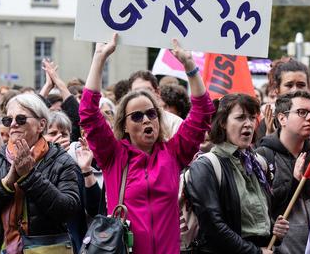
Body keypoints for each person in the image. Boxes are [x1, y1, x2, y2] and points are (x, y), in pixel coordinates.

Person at [79, 34, 215, 254]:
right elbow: (87, 112)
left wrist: (189, 65)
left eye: (151, 114)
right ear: (123, 125)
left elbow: (203, 112)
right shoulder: (112, 155)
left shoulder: (173, 153)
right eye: (137, 116)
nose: (146, 120)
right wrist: (99, 58)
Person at [0, 93, 81, 253]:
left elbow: (67, 210)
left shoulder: (61, 160)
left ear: (41, 125)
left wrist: (30, 176)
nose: (13, 124)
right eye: (8, 120)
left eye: (20, 119)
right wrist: (6, 184)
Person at [186, 93, 289, 253]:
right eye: (240, 118)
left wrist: (274, 229)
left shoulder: (259, 163)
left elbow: (253, 221)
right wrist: (255, 252)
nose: (248, 124)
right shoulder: (206, 166)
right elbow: (214, 228)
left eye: (252, 117)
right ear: (222, 123)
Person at [256, 91, 310, 253]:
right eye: (302, 112)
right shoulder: (263, 156)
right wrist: (294, 181)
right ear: (282, 118)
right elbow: (260, 211)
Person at [259, 58, 310, 144]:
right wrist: (270, 138)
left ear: (308, 88)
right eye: (289, 85)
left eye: (301, 85)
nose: (295, 90)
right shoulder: (268, 122)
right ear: (277, 90)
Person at [128, 69, 185, 135]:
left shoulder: (174, 123)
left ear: (157, 92)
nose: (142, 96)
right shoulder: (125, 124)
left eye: (147, 91)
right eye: (137, 92)